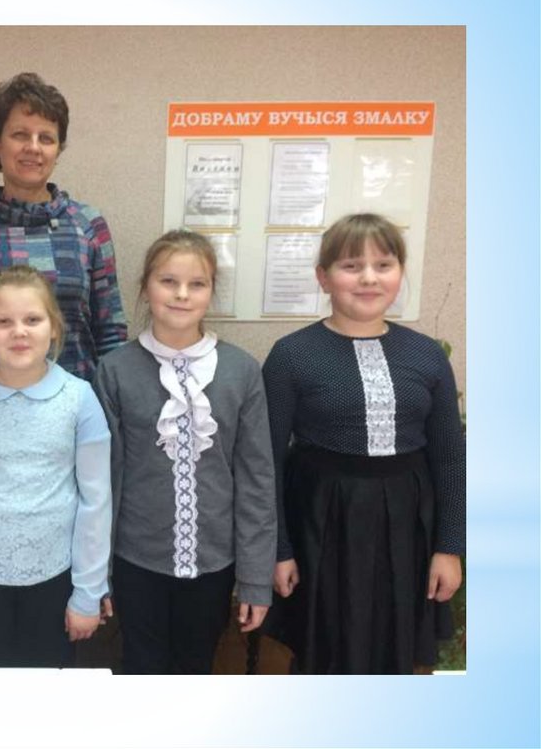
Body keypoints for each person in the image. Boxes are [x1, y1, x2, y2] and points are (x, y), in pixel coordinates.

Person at [262, 213, 465, 674]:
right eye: (352, 266)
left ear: (400, 273)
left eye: (383, 265)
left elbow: (451, 458)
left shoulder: (426, 355)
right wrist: (278, 549)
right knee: (324, 649)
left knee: (396, 647)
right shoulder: (292, 355)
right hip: (321, 525)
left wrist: (450, 547)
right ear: (324, 277)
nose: (369, 278)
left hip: (407, 530)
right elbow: (266, 462)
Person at [94, 230, 276, 674]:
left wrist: (255, 579)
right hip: (135, 560)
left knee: (197, 669)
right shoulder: (114, 370)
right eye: (168, 281)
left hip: (215, 563)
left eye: (197, 284)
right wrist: (97, 572)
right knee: (140, 667)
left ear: (211, 291)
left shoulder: (241, 370)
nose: (181, 294)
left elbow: (256, 480)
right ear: (145, 287)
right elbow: (102, 482)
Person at [0, 266, 112, 667]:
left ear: (54, 327)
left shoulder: (79, 399)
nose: (19, 332)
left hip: (56, 581)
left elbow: (96, 501)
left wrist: (88, 592)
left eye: (32, 319)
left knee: (47, 691)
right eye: (3, 322)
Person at [0, 72, 127, 383]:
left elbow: (111, 333)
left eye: (46, 138)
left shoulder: (87, 225)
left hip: (74, 402)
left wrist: (111, 401)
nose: (33, 147)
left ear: (58, 150)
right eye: (20, 134)